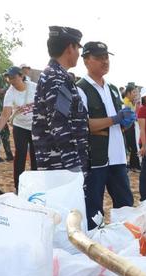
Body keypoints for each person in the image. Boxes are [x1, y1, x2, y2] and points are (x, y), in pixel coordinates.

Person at [76, 41, 136, 229]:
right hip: (97, 158)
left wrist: (125, 122)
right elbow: (85, 125)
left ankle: (125, 241)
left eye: (106, 57)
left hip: (118, 157)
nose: (105, 61)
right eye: (99, 58)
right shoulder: (81, 89)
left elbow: (116, 122)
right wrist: (115, 119)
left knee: (125, 203)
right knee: (94, 207)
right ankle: (96, 247)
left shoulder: (112, 88)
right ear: (86, 61)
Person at [32, 26, 90, 174]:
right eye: (78, 48)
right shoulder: (56, 77)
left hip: (59, 161)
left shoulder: (56, 74)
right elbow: (59, 122)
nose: (78, 54)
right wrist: (72, 164)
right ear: (70, 47)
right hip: (61, 165)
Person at [0, 66, 37, 191]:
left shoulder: (34, 87)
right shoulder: (10, 92)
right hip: (20, 126)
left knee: (35, 155)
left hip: (36, 126)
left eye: (14, 77)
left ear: (21, 76)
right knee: (20, 154)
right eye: (9, 78)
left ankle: (36, 185)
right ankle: (18, 186)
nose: (11, 80)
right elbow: (5, 113)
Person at [122, 84, 141, 172]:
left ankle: (133, 165)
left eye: (136, 92)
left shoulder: (130, 102)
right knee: (132, 146)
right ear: (128, 93)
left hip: (132, 126)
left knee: (133, 146)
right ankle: (133, 165)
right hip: (127, 127)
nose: (135, 94)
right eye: (134, 92)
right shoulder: (124, 103)